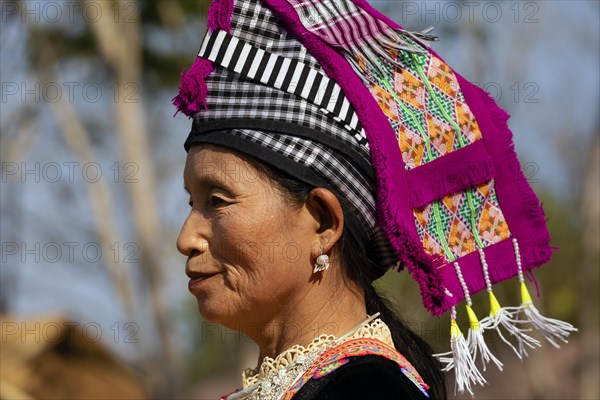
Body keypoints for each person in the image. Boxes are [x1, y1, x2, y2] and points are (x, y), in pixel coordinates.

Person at [174, 0, 575, 398]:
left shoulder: (368, 391)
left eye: (217, 200)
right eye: (193, 203)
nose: (186, 238)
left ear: (323, 223)